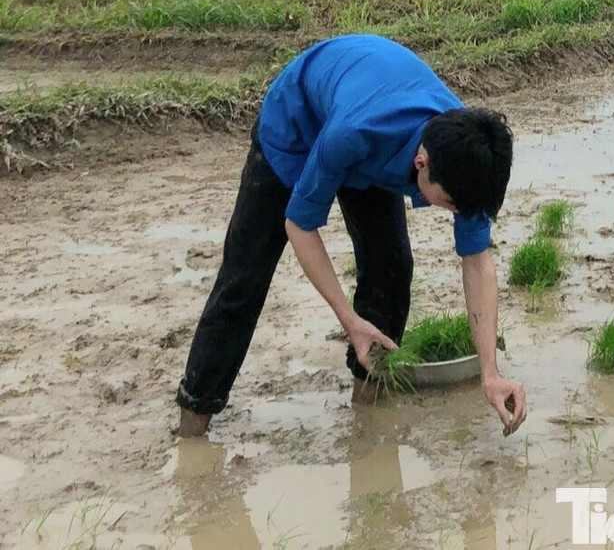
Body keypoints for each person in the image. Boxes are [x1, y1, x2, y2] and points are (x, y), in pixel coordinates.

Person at [176, 34, 526, 437]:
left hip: (371, 135)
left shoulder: (467, 157)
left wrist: (489, 373)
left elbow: (477, 262)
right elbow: (299, 226)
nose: (453, 214)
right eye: (447, 204)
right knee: (245, 276)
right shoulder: (355, 133)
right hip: (297, 129)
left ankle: (368, 409)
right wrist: (348, 319)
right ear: (421, 163)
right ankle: (194, 418)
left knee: (391, 270)